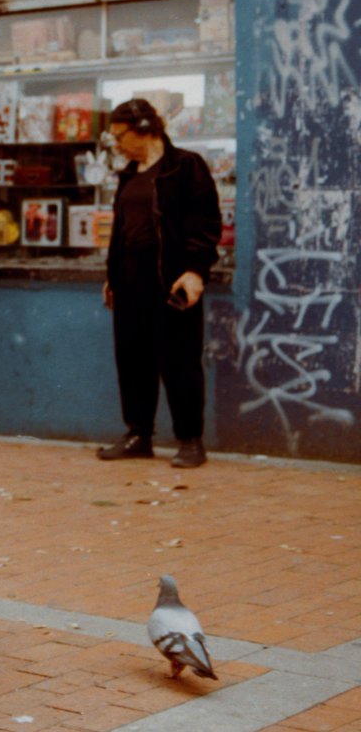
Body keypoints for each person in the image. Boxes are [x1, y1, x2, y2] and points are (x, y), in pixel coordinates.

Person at [98, 98, 222, 468]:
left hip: (171, 276)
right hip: (131, 275)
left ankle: (190, 440)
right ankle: (138, 435)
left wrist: (196, 270)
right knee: (132, 357)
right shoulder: (129, 174)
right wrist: (112, 275)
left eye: (120, 136)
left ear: (145, 130)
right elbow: (121, 231)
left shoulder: (186, 166)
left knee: (179, 359)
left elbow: (205, 223)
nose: (117, 145)